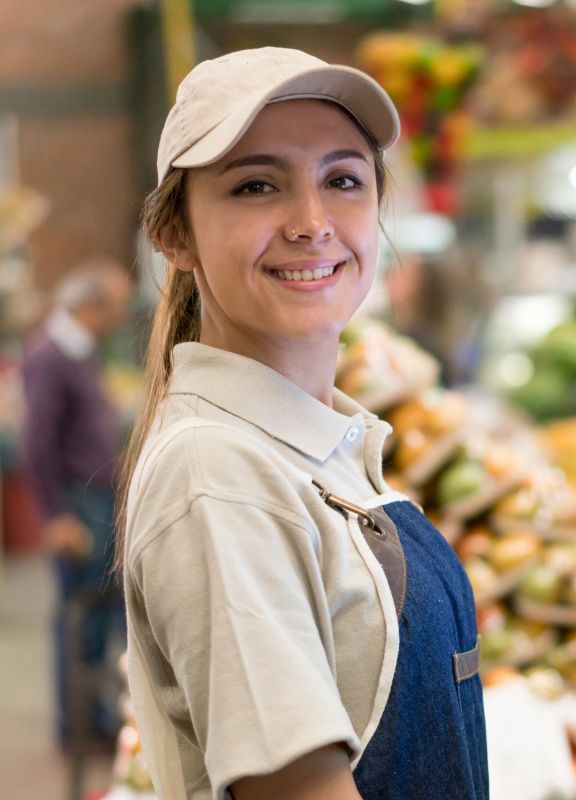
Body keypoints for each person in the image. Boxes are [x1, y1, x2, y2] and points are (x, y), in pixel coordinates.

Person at [119, 48, 487, 800]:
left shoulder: (317, 446)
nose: (312, 223)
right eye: (257, 186)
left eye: (343, 180)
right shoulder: (219, 474)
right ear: (175, 236)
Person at [20, 258, 132, 747]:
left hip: (94, 496)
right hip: (76, 502)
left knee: (99, 613)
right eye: (115, 308)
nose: (118, 319)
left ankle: (97, 716)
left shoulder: (78, 351)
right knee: (81, 612)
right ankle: (81, 726)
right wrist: (54, 515)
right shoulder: (51, 356)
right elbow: (37, 442)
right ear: (91, 306)